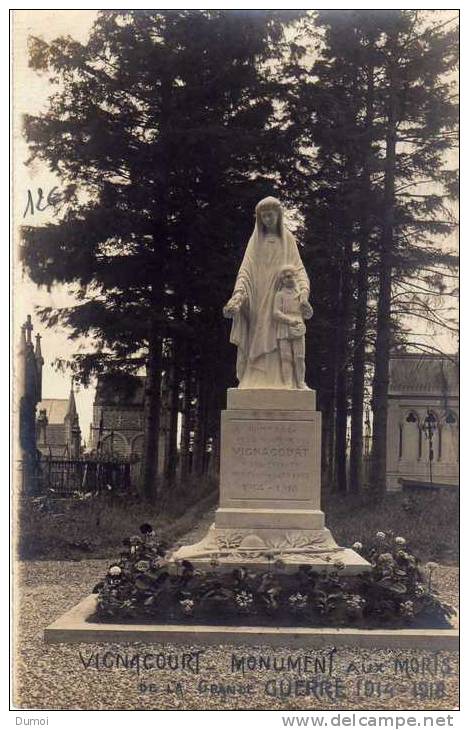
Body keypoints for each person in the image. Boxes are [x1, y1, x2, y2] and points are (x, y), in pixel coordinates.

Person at [223, 196, 311, 388]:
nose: (268, 220)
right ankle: (255, 379)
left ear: (278, 216)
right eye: (263, 216)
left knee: (286, 348)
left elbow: (299, 269)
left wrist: (303, 293)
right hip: (259, 298)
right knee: (257, 337)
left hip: (282, 299)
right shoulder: (255, 242)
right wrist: (239, 294)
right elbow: (245, 270)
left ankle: (287, 382)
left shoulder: (287, 239)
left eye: (271, 215)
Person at [273, 265, 313, 389]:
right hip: (284, 327)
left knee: (299, 357)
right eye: (285, 277)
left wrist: (307, 307)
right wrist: (289, 320)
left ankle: (300, 382)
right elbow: (275, 312)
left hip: (298, 326)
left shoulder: (300, 295)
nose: (288, 279)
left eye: (290, 276)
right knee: (286, 357)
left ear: (295, 277)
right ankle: (288, 383)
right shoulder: (279, 295)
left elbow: (308, 314)